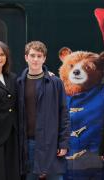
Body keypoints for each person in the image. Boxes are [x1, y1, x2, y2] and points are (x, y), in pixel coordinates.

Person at [17, 41, 70, 180]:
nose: (35, 59)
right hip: (27, 144)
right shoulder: (18, 83)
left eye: (39, 56)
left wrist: (63, 143)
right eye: (32, 55)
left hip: (51, 144)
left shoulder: (55, 82)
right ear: (26, 57)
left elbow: (64, 113)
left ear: (44, 58)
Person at [0, 40, 21, 180]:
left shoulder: (13, 77)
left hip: (12, 133)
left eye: (2, 54)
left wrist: (48, 75)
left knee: (11, 171)